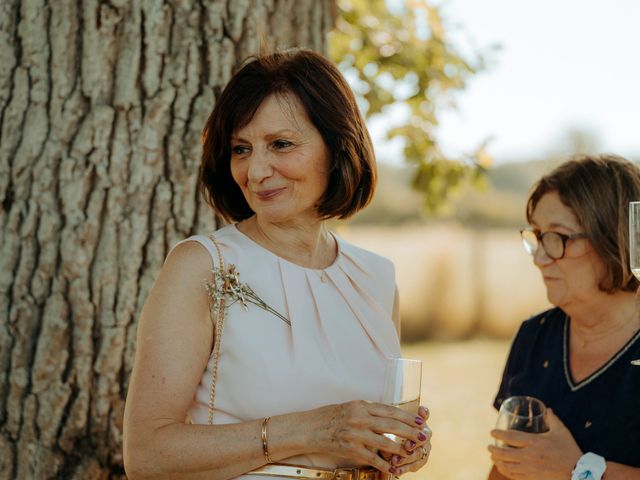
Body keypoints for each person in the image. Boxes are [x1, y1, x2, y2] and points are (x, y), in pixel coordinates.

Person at [123, 49, 432, 480]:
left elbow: (362, 432)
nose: (256, 170)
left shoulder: (377, 278)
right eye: (241, 149)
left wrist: (396, 445)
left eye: (281, 144)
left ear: (336, 144)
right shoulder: (202, 266)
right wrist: (308, 431)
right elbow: (147, 456)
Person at [488, 154, 640, 480]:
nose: (540, 258)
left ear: (615, 238)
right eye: (537, 236)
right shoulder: (534, 335)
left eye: (558, 237)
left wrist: (577, 470)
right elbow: (506, 469)